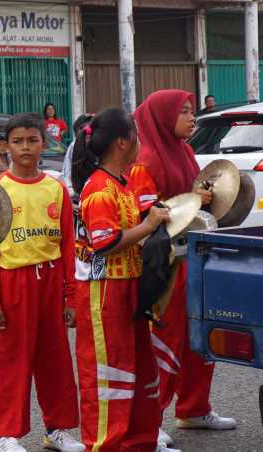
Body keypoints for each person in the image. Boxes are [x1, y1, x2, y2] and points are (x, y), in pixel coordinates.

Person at [134, 90, 236, 447]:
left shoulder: (185, 151)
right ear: (162, 117)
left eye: (193, 111)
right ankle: (153, 419)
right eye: (184, 112)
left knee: (199, 337)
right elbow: (148, 214)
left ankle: (194, 408)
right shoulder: (145, 159)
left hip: (194, 256)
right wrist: (192, 196)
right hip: (166, 264)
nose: (192, 118)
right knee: (167, 340)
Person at [71, 107, 177, 452]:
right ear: (122, 142)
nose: (139, 141)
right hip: (105, 293)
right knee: (109, 376)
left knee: (139, 371)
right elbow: (103, 244)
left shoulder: (123, 182)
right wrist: (147, 227)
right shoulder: (100, 189)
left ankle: (139, 441)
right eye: (135, 134)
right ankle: (106, 444)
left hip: (128, 288)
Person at [0, 113, 83, 452]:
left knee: (56, 360)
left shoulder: (55, 188)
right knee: (10, 361)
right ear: (6, 146)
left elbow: (68, 245)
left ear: (43, 143)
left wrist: (71, 296)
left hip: (50, 280)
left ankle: (58, 430)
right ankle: (5, 434)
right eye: (18, 141)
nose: (25, 147)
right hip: (12, 283)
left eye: (32, 140)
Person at [62, 114, 95, 195]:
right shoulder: (74, 146)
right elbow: (67, 172)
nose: (87, 131)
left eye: (90, 128)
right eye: (82, 128)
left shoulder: (96, 144)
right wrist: (71, 192)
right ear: (76, 132)